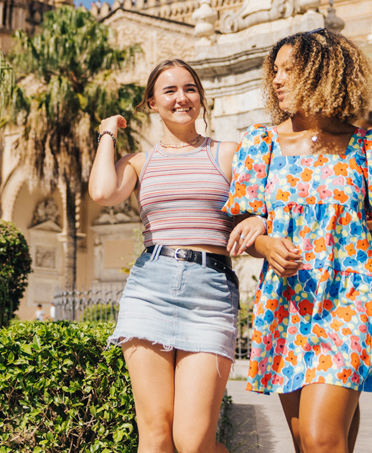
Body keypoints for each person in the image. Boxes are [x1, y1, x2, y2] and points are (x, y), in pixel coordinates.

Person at [225, 28, 372, 453]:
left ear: (324, 72)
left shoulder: (371, 146)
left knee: (321, 439)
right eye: (274, 71)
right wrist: (265, 245)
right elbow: (242, 221)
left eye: (290, 70)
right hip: (286, 301)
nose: (277, 80)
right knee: (304, 442)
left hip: (349, 298)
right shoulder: (260, 144)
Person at [89, 58, 264, 453]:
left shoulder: (229, 154)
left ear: (200, 97)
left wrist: (260, 221)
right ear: (152, 102)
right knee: (154, 435)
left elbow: (265, 204)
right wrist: (106, 134)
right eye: (169, 90)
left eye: (189, 88)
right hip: (150, 286)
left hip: (210, 290)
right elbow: (102, 192)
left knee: (193, 440)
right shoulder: (140, 162)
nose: (181, 98)